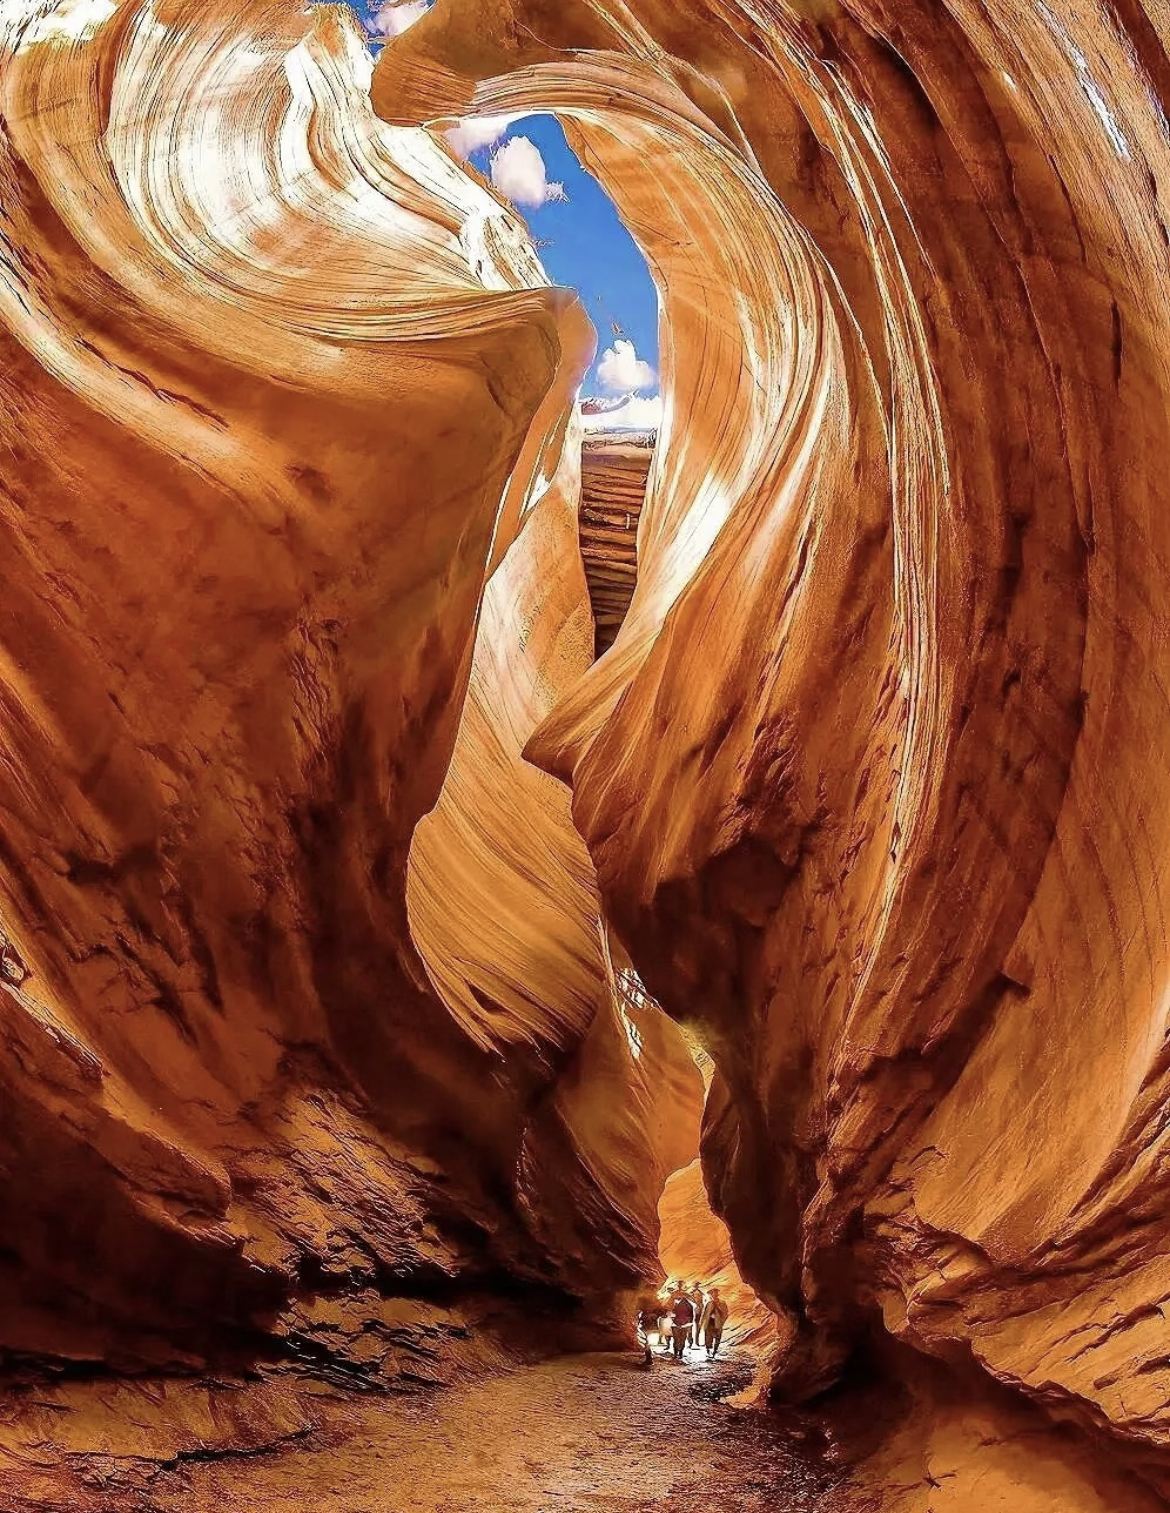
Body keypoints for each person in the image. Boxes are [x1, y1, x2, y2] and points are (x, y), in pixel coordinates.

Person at [635, 1288, 661, 1366]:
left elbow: (661, 1311)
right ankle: (649, 1358)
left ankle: (649, 1359)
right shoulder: (653, 1300)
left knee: (647, 1343)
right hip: (648, 1325)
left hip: (649, 1325)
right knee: (646, 1342)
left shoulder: (651, 1301)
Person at [702, 1286, 729, 1358]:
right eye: (712, 1294)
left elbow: (726, 1313)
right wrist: (701, 1323)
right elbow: (704, 1314)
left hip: (718, 1323)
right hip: (709, 1323)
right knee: (708, 1338)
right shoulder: (708, 1303)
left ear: (717, 1295)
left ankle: (714, 1351)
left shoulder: (722, 1303)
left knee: (717, 1338)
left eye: (715, 1294)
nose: (713, 1295)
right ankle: (708, 1351)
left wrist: (721, 1322)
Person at [669, 1286, 696, 1359]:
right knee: (681, 1339)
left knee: (677, 1339)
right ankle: (679, 1353)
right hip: (683, 1324)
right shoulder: (687, 1304)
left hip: (679, 1324)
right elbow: (691, 1316)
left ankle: (677, 1353)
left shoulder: (683, 1304)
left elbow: (687, 1316)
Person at [689, 1283, 705, 1349]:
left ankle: (697, 1342)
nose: (697, 1286)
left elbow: (702, 1300)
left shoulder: (700, 1292)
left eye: (697, 1286)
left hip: (699, 1310)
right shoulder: (692, 1293)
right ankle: (692, 1342)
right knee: (692, 1328)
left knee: (698, 1327)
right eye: (696, 1286)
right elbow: (691, 1300)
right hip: (694, 1311)